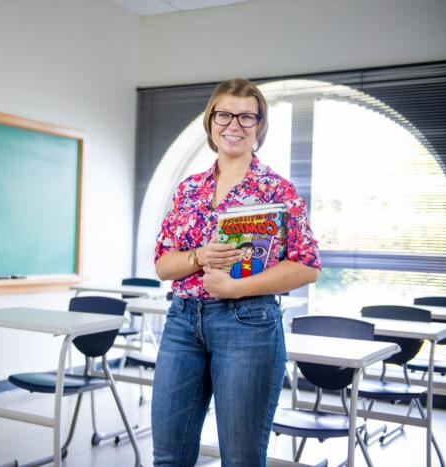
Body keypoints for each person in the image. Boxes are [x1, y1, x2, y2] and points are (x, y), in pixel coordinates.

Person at [152, 78, 321, 467]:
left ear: (260, 125)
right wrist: (199, 256)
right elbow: (163, 264)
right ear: (211, 121)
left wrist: (233, 288)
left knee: (241, 459)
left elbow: (306, 266)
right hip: (182, 322)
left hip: (248, 323)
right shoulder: (188, 190)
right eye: (224, 114)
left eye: (247, 117)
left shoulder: (278, 191)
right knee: (167, 457)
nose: (234, 125)